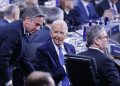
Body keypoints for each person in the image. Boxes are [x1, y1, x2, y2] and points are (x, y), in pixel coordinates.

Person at [0, 6, 45, 86]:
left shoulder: (21, 29)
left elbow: (22, 56)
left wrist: (36, 78)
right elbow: (3, 58)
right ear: (27, 19)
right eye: (36, 24)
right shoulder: (14, 30)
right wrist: (8, 82)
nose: (38, 29)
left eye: (40, 26)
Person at [35, 20, 76, 86]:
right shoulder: (42, 50)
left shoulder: (70, 48)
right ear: (51, 33)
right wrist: (65, 68)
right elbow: (43, 75)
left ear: (66, 34)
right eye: (56, 32)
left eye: (62, 33)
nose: (58, 36)